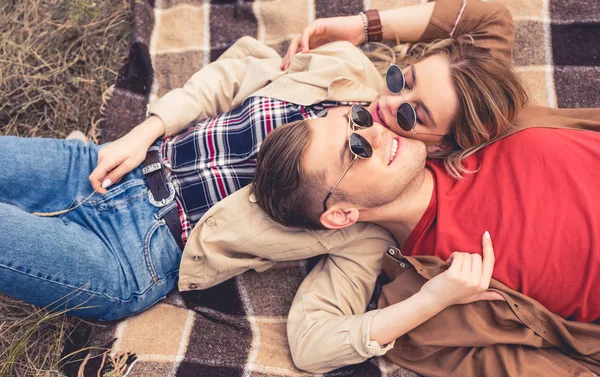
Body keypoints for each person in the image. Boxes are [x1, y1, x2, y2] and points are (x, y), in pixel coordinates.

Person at [1, 0, 528, 320]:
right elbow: (229, 77)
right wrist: (145, 131)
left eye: (414, 117)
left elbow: (319, 331)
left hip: (132, 255)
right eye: (402, 81)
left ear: (438, 146)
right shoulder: (342, 68)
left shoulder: (365, 215)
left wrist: (429, 300)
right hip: (111, 165)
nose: (390, 104)